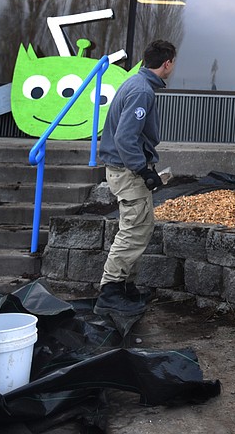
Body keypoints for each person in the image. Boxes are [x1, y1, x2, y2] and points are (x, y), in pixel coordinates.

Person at [95, 39, 177, 314]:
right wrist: (142, 169)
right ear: (167, 64)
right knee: (133, 230)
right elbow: (125, 137)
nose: (173, 68)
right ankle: (110, 290)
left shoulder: (136, 84)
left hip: (124, 168)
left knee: (139, 227)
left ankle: (125, 287)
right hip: (126, 171)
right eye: (173, 64)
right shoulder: (142, 91)